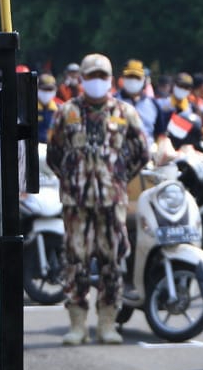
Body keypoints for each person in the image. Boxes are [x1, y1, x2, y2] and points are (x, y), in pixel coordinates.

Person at [46, 54, 149, 344]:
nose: (97, 82)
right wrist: (70, 177)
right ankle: (78, 324)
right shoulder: (66, 112)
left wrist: (117, 177)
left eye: (102, 77)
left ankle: (107, 324)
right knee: (75, 260)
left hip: (110, 200)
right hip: (76, 202)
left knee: (112, 261)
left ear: (111, 79)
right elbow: (54, 153)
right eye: (91, 76)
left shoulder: (124, 112)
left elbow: (141, 153)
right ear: (81, 79)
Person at [117, 58, 159, 140]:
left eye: (137, 77)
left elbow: (160, 134)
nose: (133, 80)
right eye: (129, 76)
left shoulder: (153, 105)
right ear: (123, 78)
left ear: (144, 80)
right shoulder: (112, 102)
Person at [35, 72, 59, 143]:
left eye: (50, 90)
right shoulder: (30, 109)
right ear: (37, 89)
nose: (47, 93)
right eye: (45, 90)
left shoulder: (59, 109)